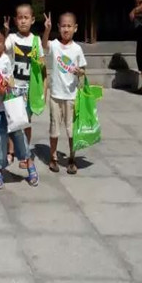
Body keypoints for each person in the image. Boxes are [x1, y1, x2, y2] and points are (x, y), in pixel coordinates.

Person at [0, 23, 39, 189]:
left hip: (10, 106)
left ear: (4, 42)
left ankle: (29, 164)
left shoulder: (6, 59)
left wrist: (6, 85)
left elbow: (11, 80)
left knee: (19, 135)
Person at [42, 12, 87, 174]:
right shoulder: (54, 45)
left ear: (75, 28)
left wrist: (79, 71)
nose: (66, 29)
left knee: (71, 130)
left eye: (69, 26)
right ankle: (53, 157)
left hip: (71, 96)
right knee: (54, 128)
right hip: (55, 95)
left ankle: (72, 158)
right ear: (58, 27)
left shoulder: (77, 49)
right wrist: (47, 30)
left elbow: (83, 69)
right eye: (63, 26)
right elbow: (44, 45)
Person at [5, 4, 44, 168]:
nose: (23, 21)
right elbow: (3, 50)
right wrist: (5, 31)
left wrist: (43, 87)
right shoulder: (11, 38)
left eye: (26, 18)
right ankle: (11, 151)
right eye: (20, 18)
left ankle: (25, 153)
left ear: (32, 20)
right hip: (14, 85)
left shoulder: (36, 40)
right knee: (13, 121)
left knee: (26, 121)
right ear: (15, 20)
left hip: (29, 87)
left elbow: (41, 63)